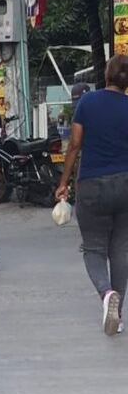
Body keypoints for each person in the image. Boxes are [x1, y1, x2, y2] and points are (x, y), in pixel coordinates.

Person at [55, 54, 128, 336]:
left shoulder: (87, 102)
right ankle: (117, 315)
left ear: (106, 75)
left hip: (93, 184)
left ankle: (106, 293)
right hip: (125, 184)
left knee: (94, 249)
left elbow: (74, 145)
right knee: (121, 249)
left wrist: (64, 183)